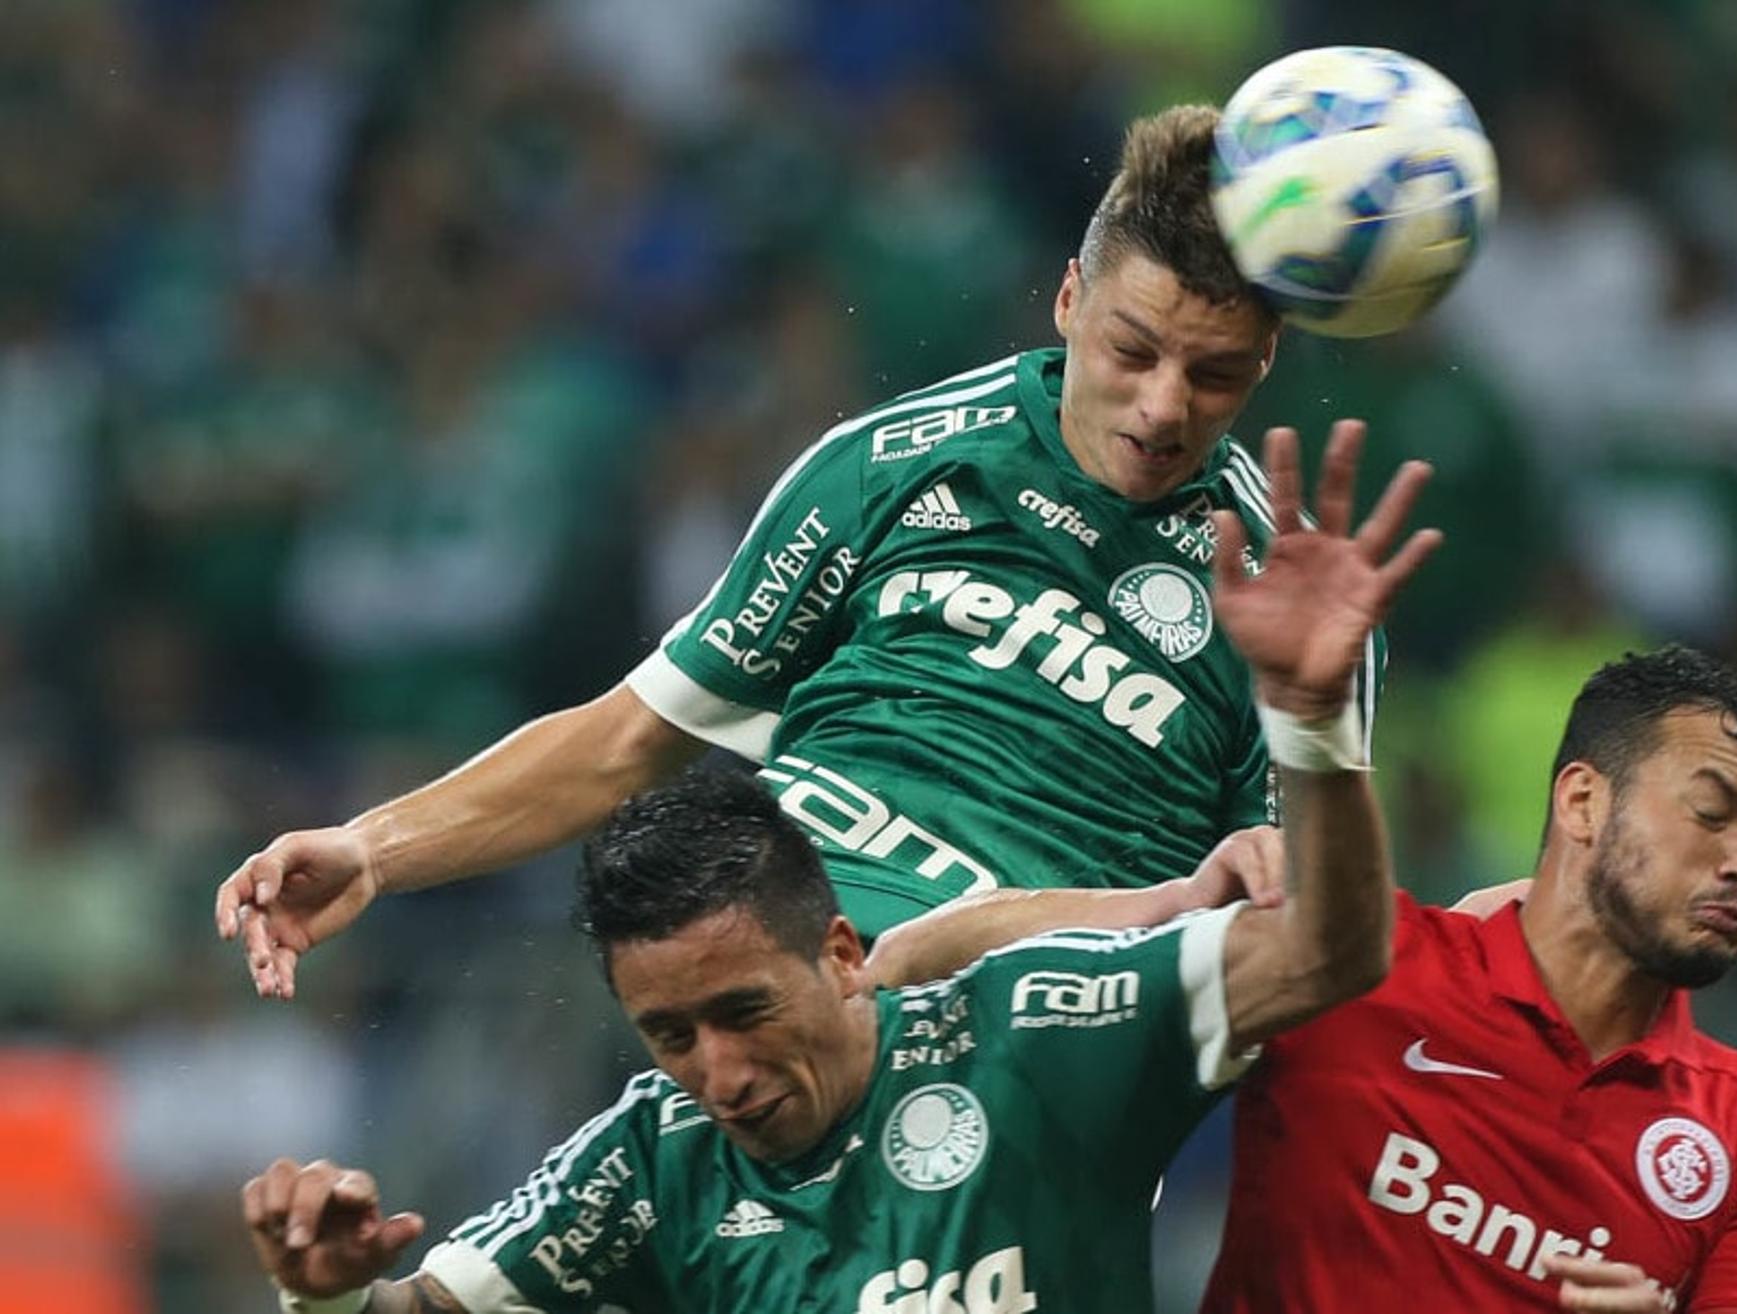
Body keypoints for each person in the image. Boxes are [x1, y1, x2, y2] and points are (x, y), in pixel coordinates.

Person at [238, 439, 1441, 1313]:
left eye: (742, 1014)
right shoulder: (654, 1157)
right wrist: (328, 1297)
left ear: (842, 953)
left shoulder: (1041, 1036)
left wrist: (1310, 721)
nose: (719, 1075)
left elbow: (1329, 950)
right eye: (669, 1034)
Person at [215, 102, 1387, 995]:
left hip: (1048, 1050)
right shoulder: (890, 465)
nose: (1165, 406)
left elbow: (1294, 945)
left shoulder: (1286, 594)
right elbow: (629, 737)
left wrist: (1310, 730)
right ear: (1071, 299)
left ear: (1267, 368)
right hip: (780, 1004)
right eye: (1134, 350)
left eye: (1216, 373)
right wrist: (373, 848)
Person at [871, 645, 1737, 1313]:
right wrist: (1167, 904)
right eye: (1712, 813)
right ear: (1581, 801)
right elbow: (943, 961)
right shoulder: (1361, 966)